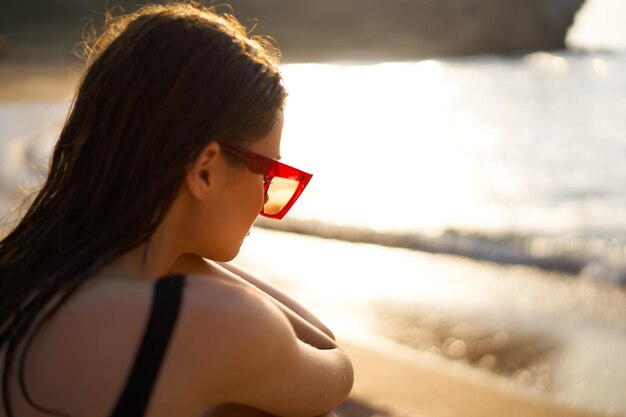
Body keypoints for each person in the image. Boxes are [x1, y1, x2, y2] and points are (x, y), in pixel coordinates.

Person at [0, 3, 353, 417]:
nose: (264, 200)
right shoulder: (204, 321)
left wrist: (163, 243)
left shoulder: (21, 277)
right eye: (269, 173)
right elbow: (332, 361)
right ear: (204, 170)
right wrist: (187, 259)